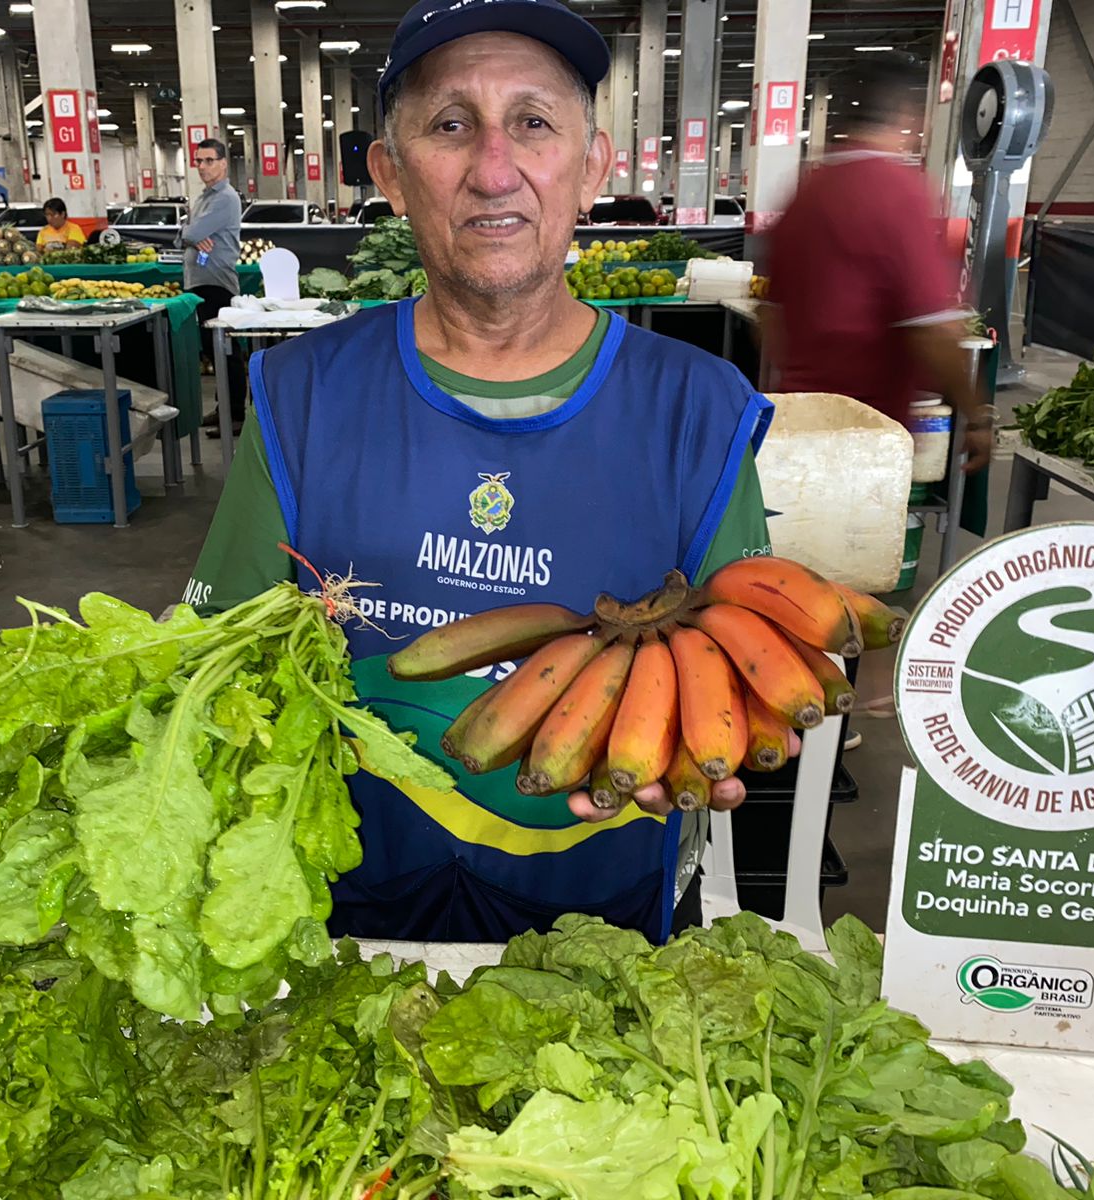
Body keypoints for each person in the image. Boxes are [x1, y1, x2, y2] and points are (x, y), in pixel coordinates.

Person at [185, 0, 788, 945]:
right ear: (391, 174)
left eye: (534, 122)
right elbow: (217, 661)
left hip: (602, 932)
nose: (495, 170)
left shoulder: (698, 409)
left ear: (592, 168)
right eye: (450, 125)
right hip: (339, 925)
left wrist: (703, 749)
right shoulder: (302, 393)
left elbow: (737, 670)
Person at [763, 56, 992, 471]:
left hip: (798, 422)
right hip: (866, 433)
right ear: (907, 115)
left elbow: (770, 318)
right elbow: (932, 329)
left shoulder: (806, 191)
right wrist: (976, 415)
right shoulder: (896, 189)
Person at [177, 137, 245, 434]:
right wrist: (189, 235)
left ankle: (235, 414)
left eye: (209, 160)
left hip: (216, 282)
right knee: (212, 349)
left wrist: (189, 235)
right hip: (201, 282)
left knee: (225, 349)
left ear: (223, 163)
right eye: (199, 161)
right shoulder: (204, 197)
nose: (202, 167)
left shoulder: (225, 198)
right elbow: (189, 233)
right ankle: (223, 408)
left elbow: (193, 232)